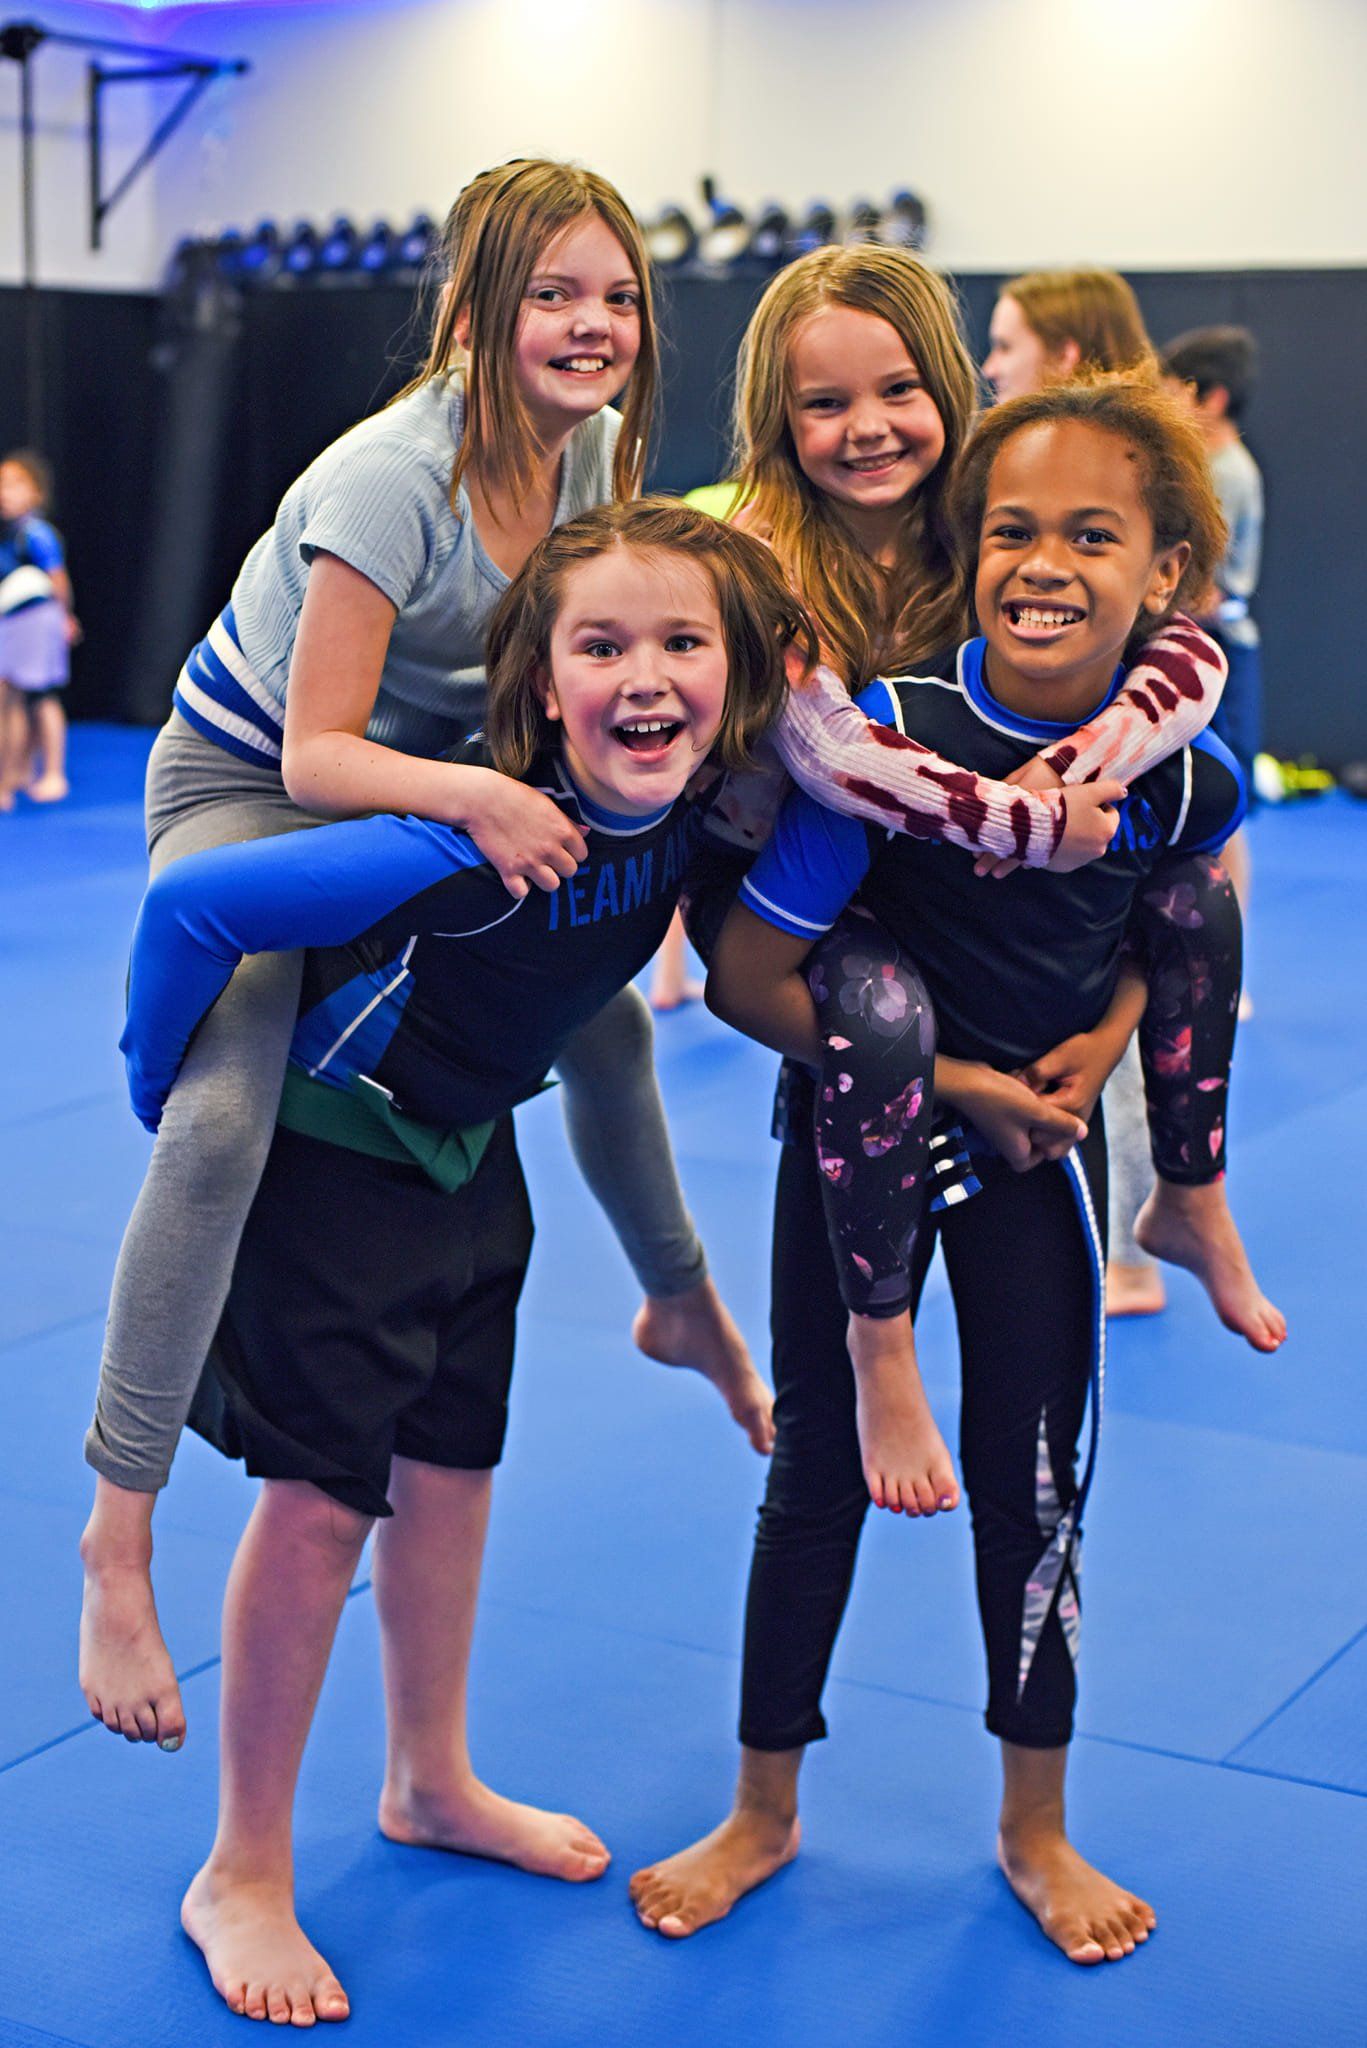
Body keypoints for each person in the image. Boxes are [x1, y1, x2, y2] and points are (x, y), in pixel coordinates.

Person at [77, 159, 767, 1754]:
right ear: (472, 312)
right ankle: (117, 1533)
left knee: (602, 1022)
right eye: (552, 294)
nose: (591, 325)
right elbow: (314, 752)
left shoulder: (591, 446)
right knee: (228, 1116)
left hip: (441, 770)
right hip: (257, 787)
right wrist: (479, 799)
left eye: (617, 295)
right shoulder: (391, 477)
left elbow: (593, 630)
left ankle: (681, 1304)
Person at [112, 500, 798, 2026]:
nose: (643, 679)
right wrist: (157, 1076)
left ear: (734, 674)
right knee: (318, 1509)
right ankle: (240, 1868)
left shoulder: (693, 813)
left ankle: (428, 1777)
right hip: (333, 1151)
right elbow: (195, 900)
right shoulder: (464, 843)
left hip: (472, 1147)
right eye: (599, 645)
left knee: (452, 1472)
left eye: (680, 644)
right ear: (540, 682)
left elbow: (612, 1037)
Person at [630, 375, 1267, 1965]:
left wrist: (1108, 1040)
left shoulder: (1169, 768)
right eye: (1010, 533)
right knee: (815, 1478)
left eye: (1088, 537)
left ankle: (1031, 1826)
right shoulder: (894, 745)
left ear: (1164, 579)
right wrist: (958, 1082)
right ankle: (761, 1811)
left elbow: (1163, 926)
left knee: (1036, 1484)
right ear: (967, 551)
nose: (1042, 564)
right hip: (871, 1141)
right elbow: (753, 979)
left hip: (1034, 1155)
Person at [683, 245, 1259, 1520]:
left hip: (948, 915)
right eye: (821, 403)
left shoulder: (990, 534)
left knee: (1194, 893)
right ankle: (859, 1338)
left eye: (896, 390)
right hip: (798, 904)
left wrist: (1105, 1011)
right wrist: (1020, 820)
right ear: (777, 423)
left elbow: (1188, 657)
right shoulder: (764, 567)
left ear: (948, 387)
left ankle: (1190, 1189)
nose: (865, 427)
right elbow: (836, 756)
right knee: (878, 1018)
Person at [1161, 325, 1263, 1000]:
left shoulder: (1224, 475)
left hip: (1219, 651)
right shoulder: (1216, 467)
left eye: (1176, 391)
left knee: (1220, 809)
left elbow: (1206, 586)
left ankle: (1229, 967)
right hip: (1211, 645)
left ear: (1209, 396)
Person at [0, 448, 79, 805]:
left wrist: (64, 617)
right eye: (2, 484)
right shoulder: (10, 534)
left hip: (38, 620)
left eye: (15, 484)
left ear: (36, 493)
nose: (5, 492)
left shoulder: (37, 534)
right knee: (13, 697)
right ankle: (16, 769)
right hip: (13, 622)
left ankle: (53, 772)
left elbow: (57, 581)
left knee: (43, 696)